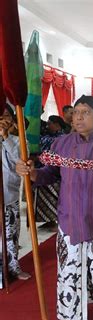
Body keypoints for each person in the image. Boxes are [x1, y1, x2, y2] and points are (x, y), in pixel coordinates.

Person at [16, 95, 93, 320]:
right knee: (69, 269)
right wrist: (30, 173)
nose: (79, 117)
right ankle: (69, 313)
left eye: (86, 112)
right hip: (69, 218)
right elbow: (49, 174)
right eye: (76, 112)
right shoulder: (61, 145)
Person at [0, 104, 31, 288]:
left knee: (10, 234)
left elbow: (18, 159)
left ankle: (13, 267)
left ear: (12, 119)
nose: (3, 120)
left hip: (8, 196)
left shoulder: (19, 141)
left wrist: (5, 137)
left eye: (5, 116)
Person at [35, 115, 67, 229]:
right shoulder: (48, 136)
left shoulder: (63, 138)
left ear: (57, 125)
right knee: (44, 198)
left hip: (56, 173)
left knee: (55, 197)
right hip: (43, 170)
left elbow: (46, 146)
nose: (47, 126)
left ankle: (55, 221)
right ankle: (48, 221)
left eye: (50, 124)